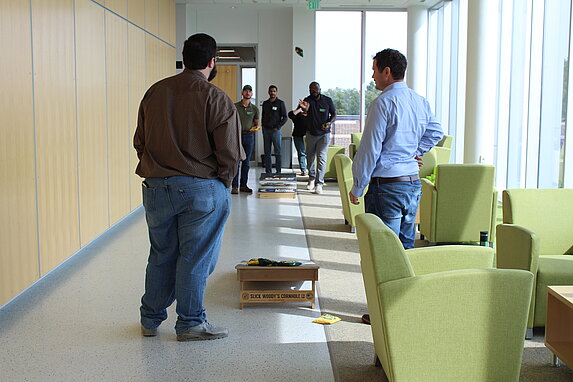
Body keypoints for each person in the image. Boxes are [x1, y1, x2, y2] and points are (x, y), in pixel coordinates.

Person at [133, 33, 244, 341]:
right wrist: (223, 184)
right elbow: (230, 154)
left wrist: (160, 170)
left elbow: (139, 141)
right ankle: (191, 322)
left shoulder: (155, 93)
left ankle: (150, 320)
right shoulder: (216, 98)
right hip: (200, 189)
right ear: (212, 62)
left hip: (156, 189)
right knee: (194, 256)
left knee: (161, 253)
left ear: (184, 58)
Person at [300, 82, 336, 194]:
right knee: (310, 157)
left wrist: (329, 122)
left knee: (321, 157)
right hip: (311, 133)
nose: (313, 91)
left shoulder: (327, 100)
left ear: (319, 89)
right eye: (311, 89)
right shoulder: (307, 100)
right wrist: (304, 110)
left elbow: (334, 114)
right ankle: (311, 179)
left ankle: (319, 183)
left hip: (324, 134)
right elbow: (302, 113)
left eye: (315, 89)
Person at [231, 85, 260, 194]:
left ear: (252, 94)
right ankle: (234, 186)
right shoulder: (235, 106)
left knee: (246, 162)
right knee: (236, 161)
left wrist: (255, 128)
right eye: (246, 91)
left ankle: (244, 185)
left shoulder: (255, 109)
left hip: (249, 136)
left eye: (250, 91)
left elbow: (256, 123)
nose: (248, 93)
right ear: (242, 93)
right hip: (236, 136)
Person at [261, 85, 287, 174]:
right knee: (267, 152)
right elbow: (263, 116)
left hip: (276, 131)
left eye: (274, 91)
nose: (272, 93)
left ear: (276, 92)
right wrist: (262, 126)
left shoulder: (280, 103)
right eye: (271, 91)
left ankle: (278, 171)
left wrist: (278, 127)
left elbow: (285, 117)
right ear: (268, 92)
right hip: (266, 131)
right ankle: (268, 172)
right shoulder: (265, 103)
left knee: (277, 152)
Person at [288, 100, 308, 176]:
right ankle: (303, 170)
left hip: (308, 136)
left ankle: (311, 169)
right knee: (301, 153)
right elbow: (290, 115)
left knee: (309, 153)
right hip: (298, 136)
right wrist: (300, 109)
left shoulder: (311, 114)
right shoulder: (297, 115)